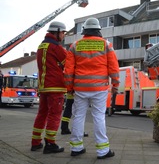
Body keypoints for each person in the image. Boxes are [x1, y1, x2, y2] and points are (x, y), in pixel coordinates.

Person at [64, 17, 120, 159]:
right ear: (98, 30)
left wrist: (69, 87)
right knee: (99, 117)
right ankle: (102, 151)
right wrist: (115, 84)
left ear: (84, 30)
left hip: (80, 88)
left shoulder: (75, 46)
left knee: (78, 116)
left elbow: (69, 70)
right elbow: (113, 67)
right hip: (99, 88)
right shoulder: (106, 45)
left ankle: (76, 148)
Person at [31, 21, 67, 154]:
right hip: (56, 87)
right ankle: (50, 144)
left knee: (42, 114)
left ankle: (35, 142)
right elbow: (67, 64)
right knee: (55, 114)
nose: (63, 35)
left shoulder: (41, 46)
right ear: (57, 32)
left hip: (43, 86)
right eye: (63, 32)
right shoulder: (56, 47)